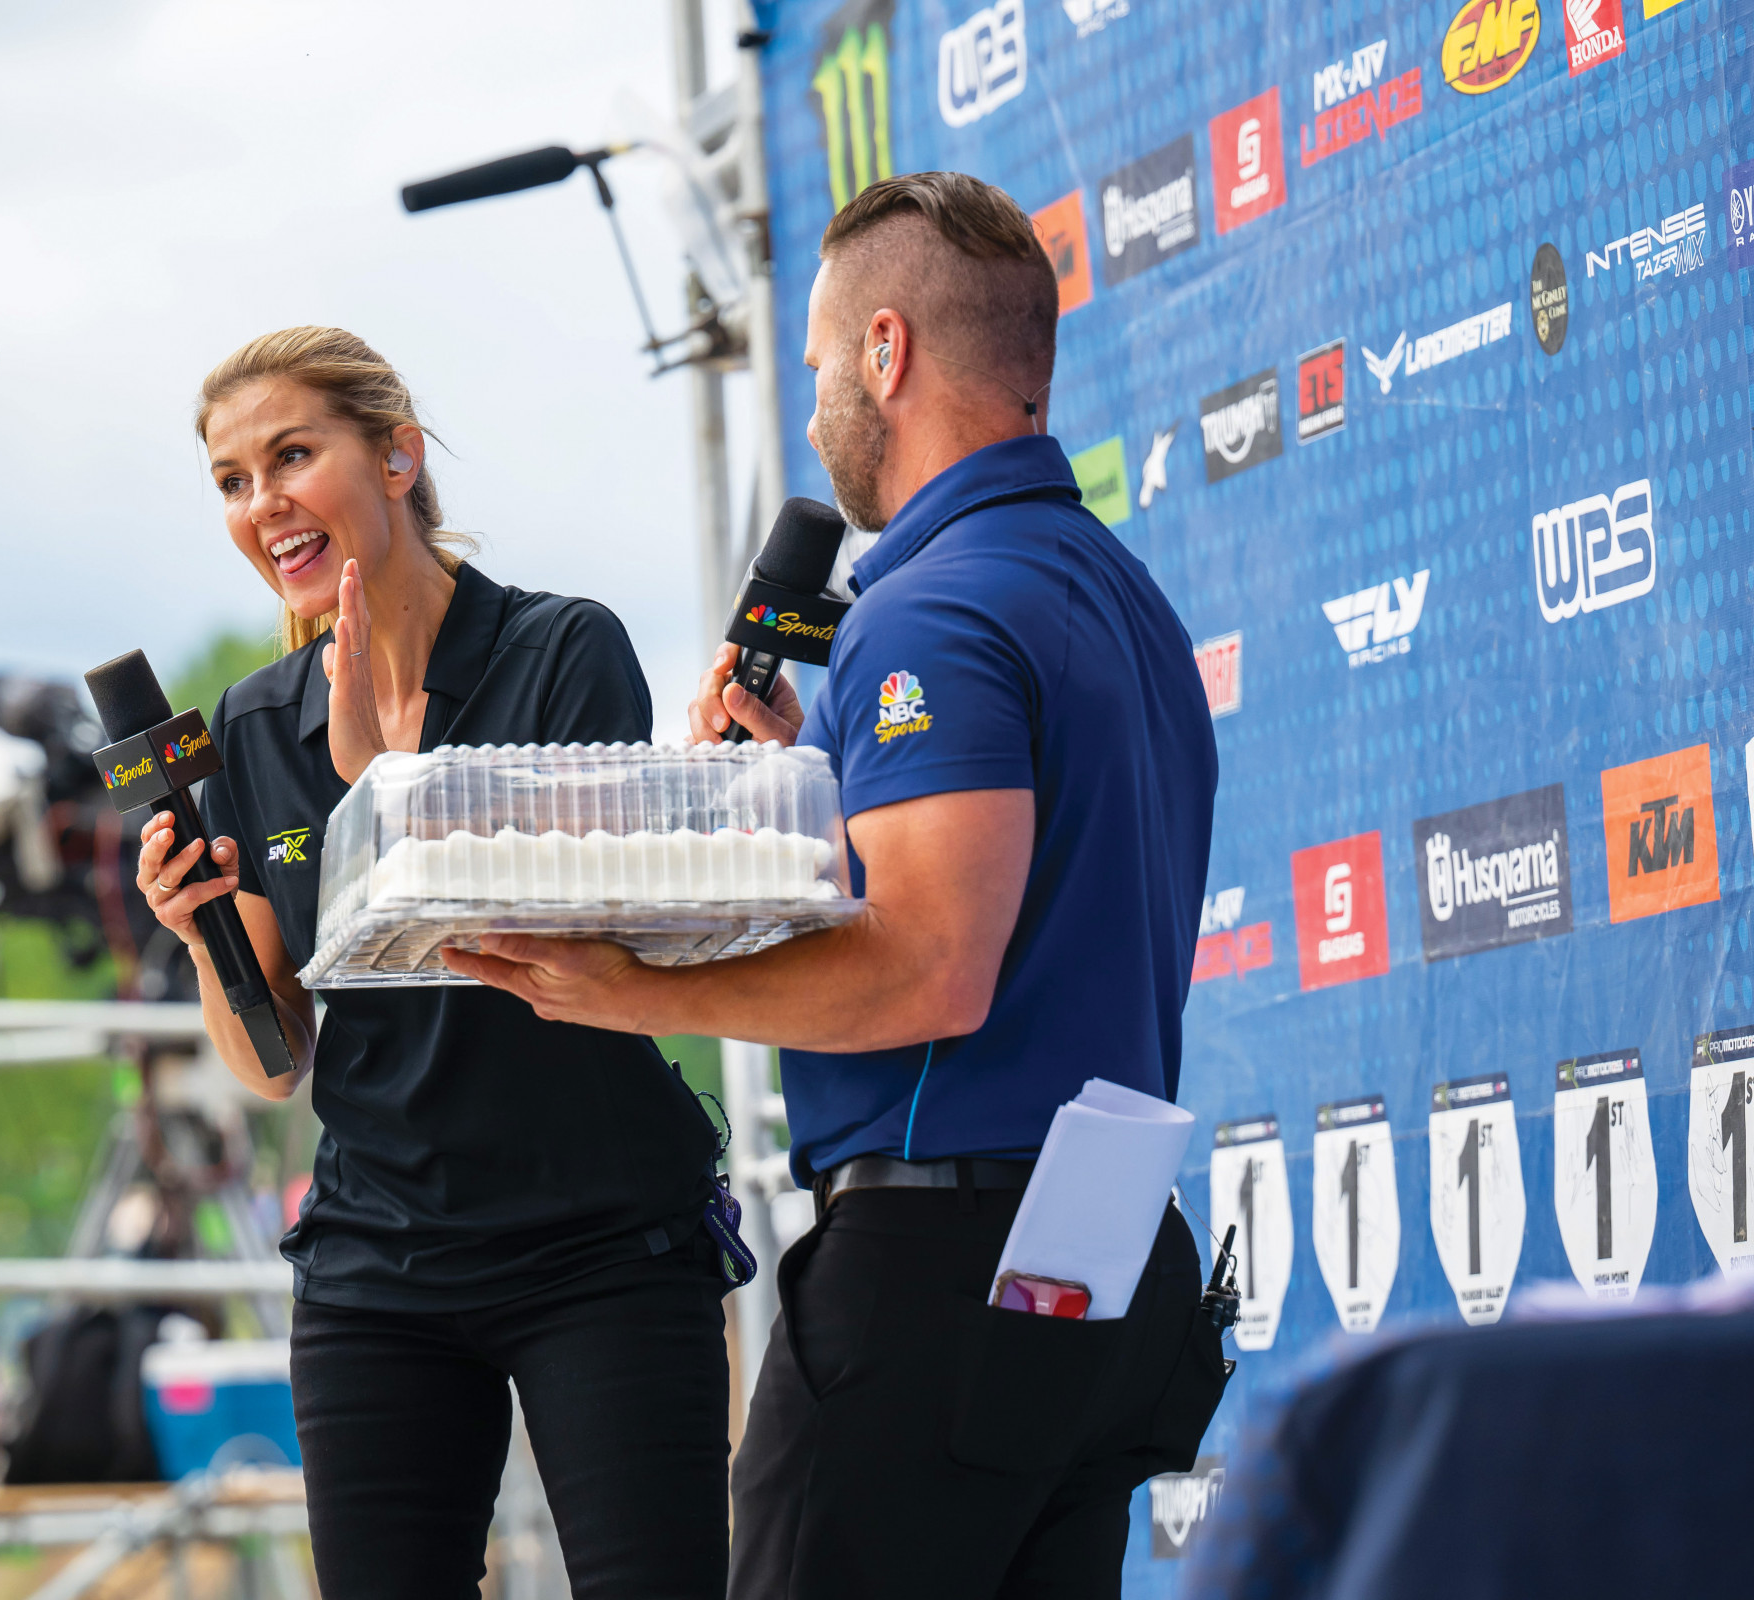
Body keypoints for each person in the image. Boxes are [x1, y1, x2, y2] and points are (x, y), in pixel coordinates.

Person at [445, 173, 1223, 1597]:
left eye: (815, 369)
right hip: (1104, 1247)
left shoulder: (928, 609)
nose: (811, 416)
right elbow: (1026, 894)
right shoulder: (1124, 598)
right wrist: (825, 780)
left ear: (886, 351)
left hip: (946, 1261)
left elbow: (935, 966)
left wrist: (635, 987)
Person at [137, 327, 730, 1599]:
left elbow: (559, 940)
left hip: (599, 1245)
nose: (263, 503)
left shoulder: (566, 651)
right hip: (375, 1267)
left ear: (397, 455)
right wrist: (201, 937)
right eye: (233, 480)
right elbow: (275, 1059)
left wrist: (380, 792)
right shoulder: (252, 722)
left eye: (293, 454)